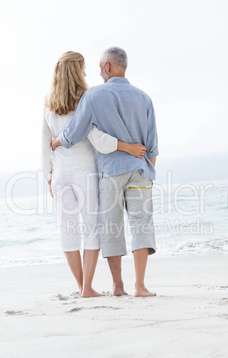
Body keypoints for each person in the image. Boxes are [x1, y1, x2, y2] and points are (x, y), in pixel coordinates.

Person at [52, 47, 159, 297]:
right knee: (141, 225)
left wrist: (58, 141)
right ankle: (140, 287)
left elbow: (76, 131)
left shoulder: (94, 96)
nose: (98, 71)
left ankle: (117, 286)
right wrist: (149, 173)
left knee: (112, 228)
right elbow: (153, 145)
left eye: (100, 66)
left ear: (108, 66)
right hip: (141, 170)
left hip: (110, 172)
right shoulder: (144, 98)